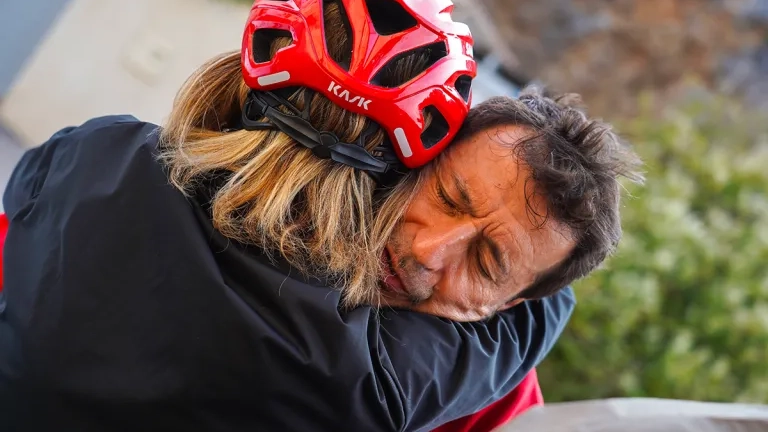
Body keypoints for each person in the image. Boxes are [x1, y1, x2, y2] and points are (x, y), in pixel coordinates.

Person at [0, 1, 641, 431]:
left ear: (506, 305)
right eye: (446, 197)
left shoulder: (86, 157)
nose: (429, 251)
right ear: (402, 162)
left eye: (486, 261)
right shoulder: (392, 386)